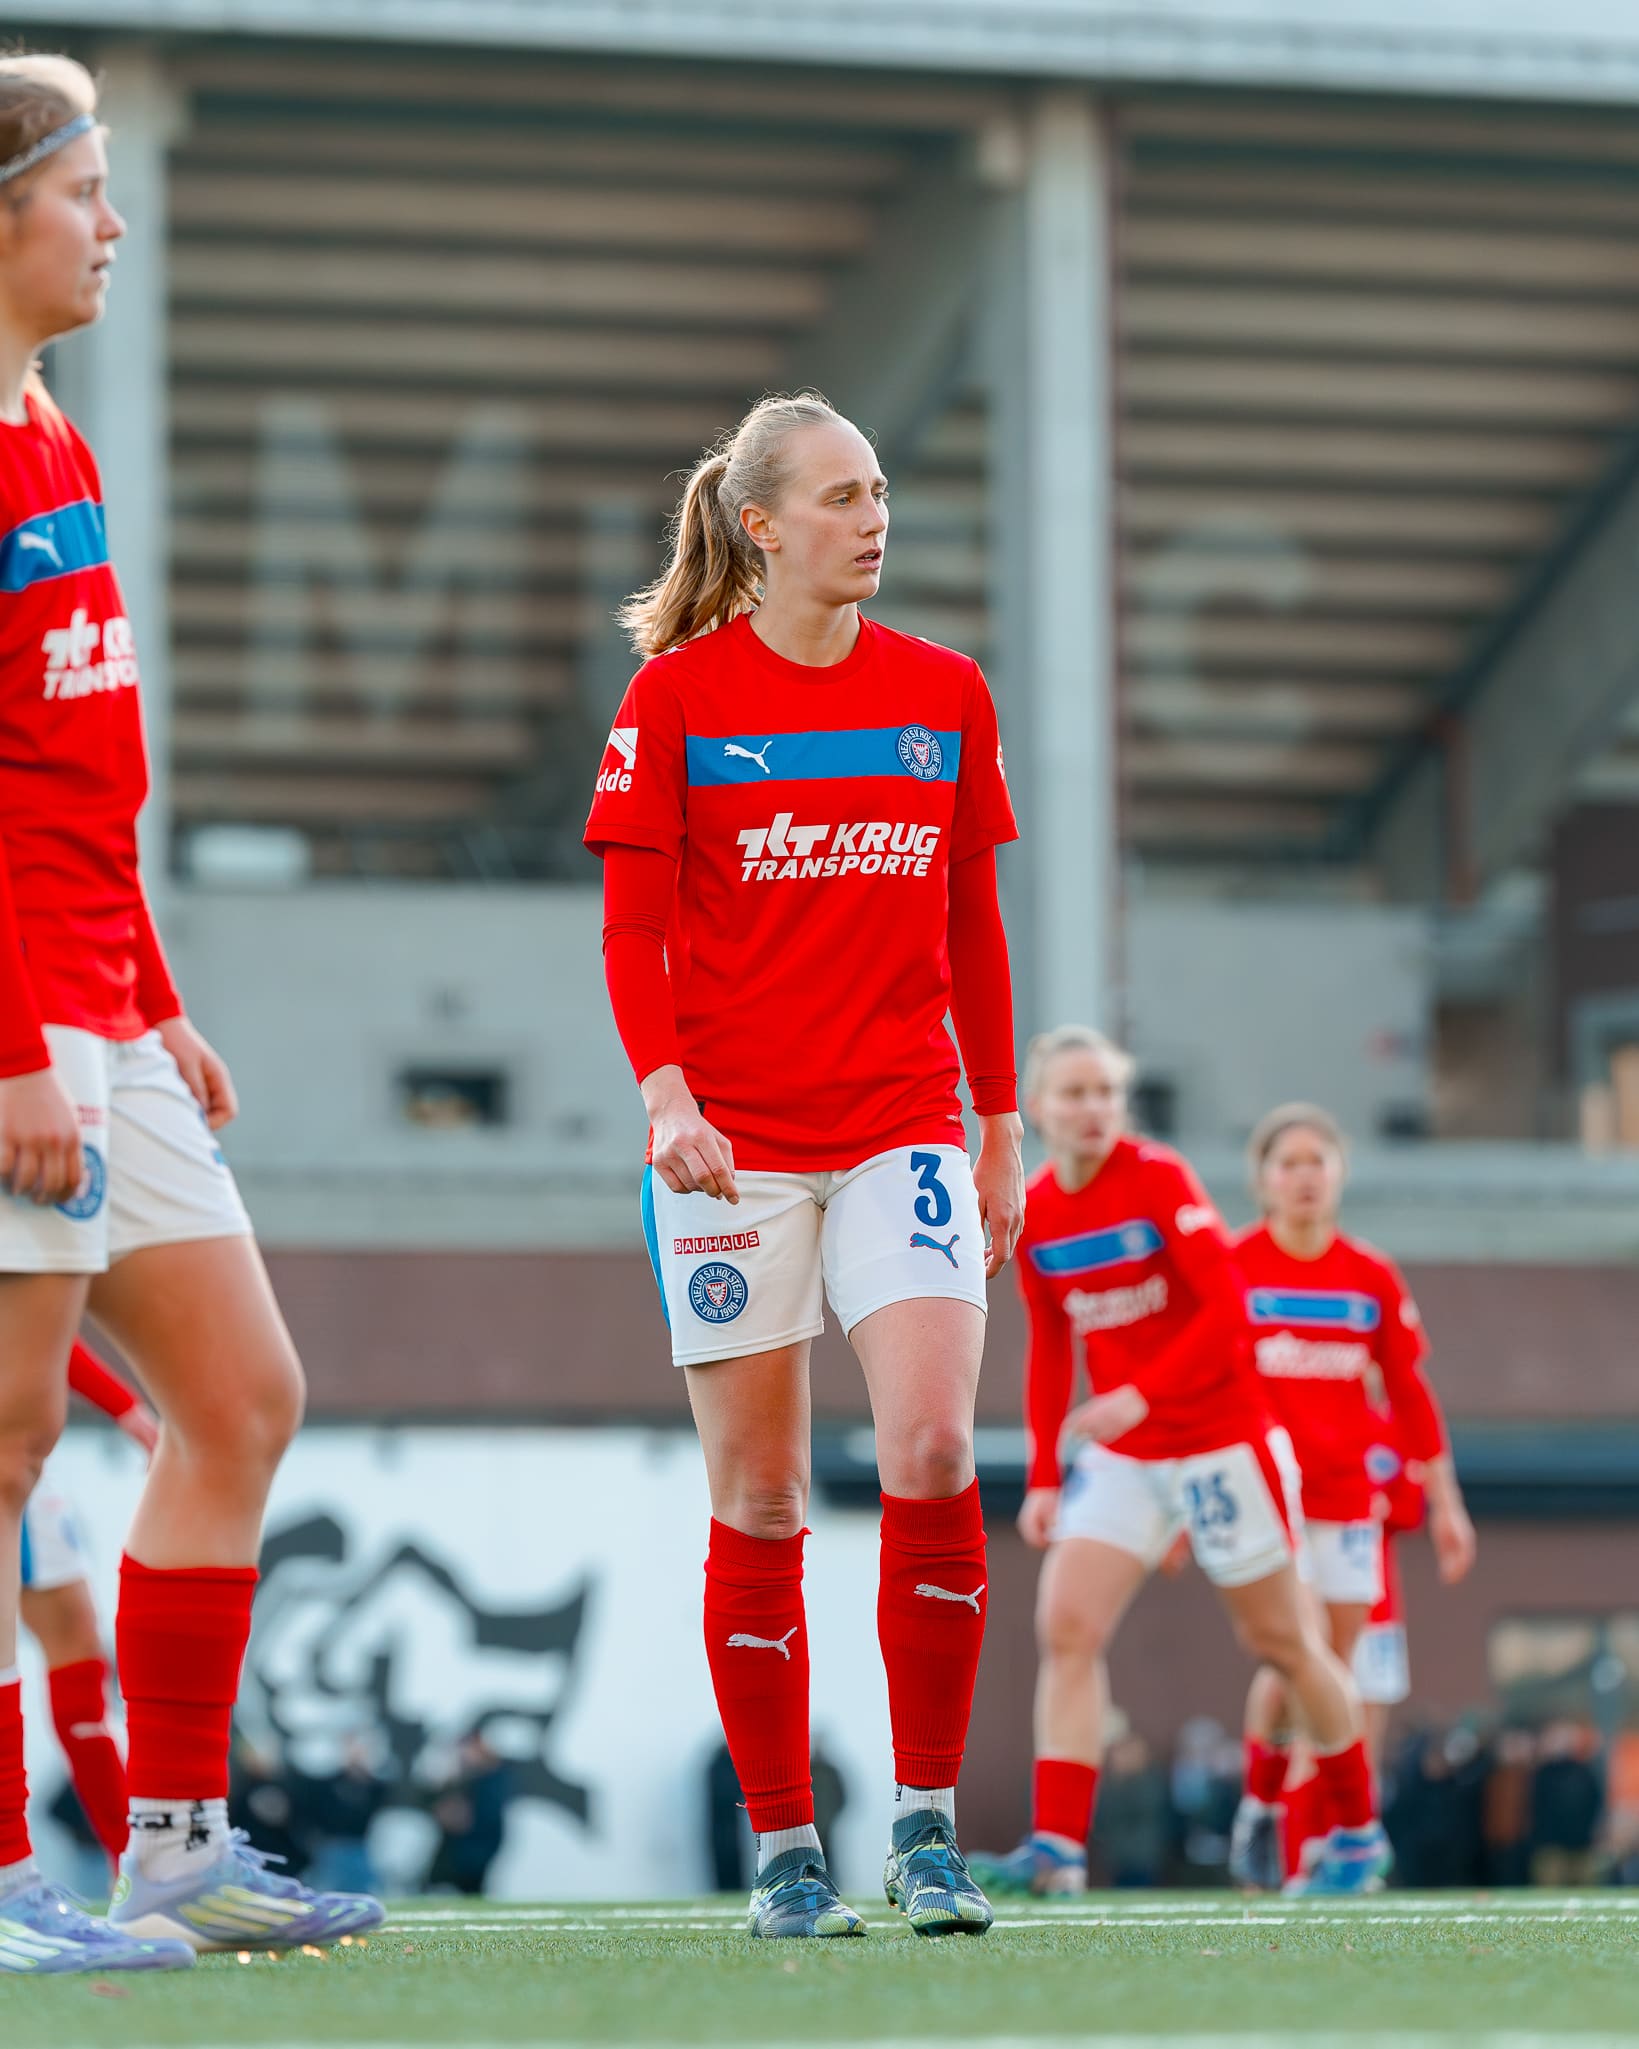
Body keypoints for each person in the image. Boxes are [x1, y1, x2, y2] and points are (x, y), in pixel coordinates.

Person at [0, 55, 383, 1969]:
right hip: (15, 1021)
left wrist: (157, 991)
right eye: (85, 191)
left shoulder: (51, 429)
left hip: (101, 995)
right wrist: (17, 1043)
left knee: (238, 1397)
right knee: (1, 1452)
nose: (113, 225)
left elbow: (78, 769)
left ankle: (170, 1840)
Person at [585, 391, 1023, 1938]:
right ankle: (782, 1849)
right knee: (762, 1494)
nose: (872, 517)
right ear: (760, 525)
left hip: (903, 1117)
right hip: (729, 1151)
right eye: (840, 496)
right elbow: (629, 929)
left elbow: (969, 923)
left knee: (930, 1452)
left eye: (881, 490)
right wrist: (667, 1097)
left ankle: (922, 1825)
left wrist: (998, 1121)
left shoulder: (945, 693)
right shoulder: (676, 697)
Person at [967, 1027, 1387, 1900]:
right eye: (1072, 1093)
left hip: (1219, 1441)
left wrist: (1141, 1394)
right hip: (1124, 1457)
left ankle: (1356, 1832)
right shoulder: (1036, 1207)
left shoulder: (1156, 1178)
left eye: (1104, 1093)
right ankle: (1055, 1849)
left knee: (1281, 1643)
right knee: (1066, 1628)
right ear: (1036, 1107)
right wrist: (1045, 1472)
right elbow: (1048, 1347)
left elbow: (1230, 1311)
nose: (1091, 1109)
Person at [1226, 1104, 1475, 1889]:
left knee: (1332, 1669)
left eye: (1318, 1160)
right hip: (1267, 1496)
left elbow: (1409, 1395)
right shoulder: (1232, 1264)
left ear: (1338, 1174)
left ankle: (1325, 1839)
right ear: (1262, 1179)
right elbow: (1196, 1379)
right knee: (1293, 1651)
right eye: (1288, 1161)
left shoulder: (1368, 1276)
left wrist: (1445, 1502)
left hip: (1348, 1503)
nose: (1304, 1175)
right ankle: (1273, 1814)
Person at [21, 1337, 158, 1875]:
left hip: (24, 1471)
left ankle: (136, 1865)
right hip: (14, 1467)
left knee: (79, 1654)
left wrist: (125, 1408)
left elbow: (38, 1315)